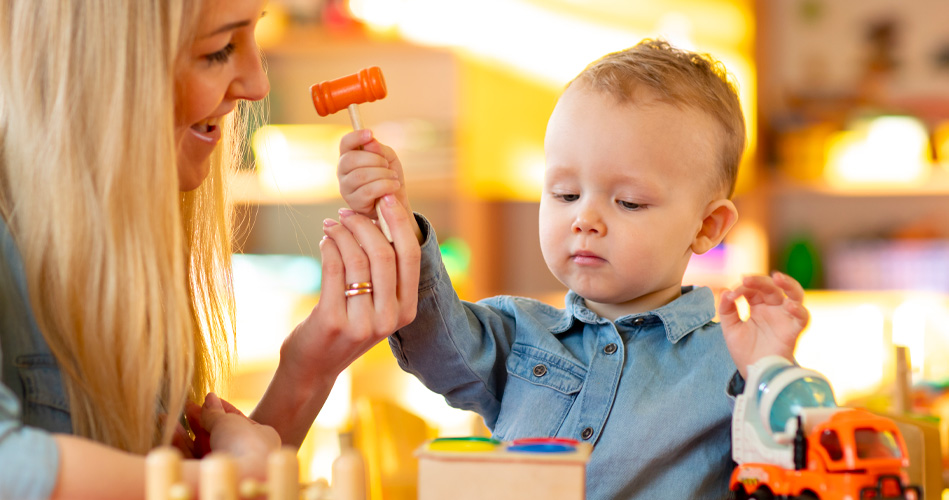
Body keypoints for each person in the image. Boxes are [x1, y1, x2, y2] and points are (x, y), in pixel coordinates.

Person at [335, 39, 809, 499]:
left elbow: (796, 469)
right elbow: (435, 345)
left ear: (706, 226)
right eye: (564, 194)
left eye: (628, 202)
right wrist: (394, 218)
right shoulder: (518, 333)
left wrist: (771, 370)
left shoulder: (730, 360)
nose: (585, 219)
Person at [0, 0, 421, 498]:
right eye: (220, 49)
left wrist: (310, 367)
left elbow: (194, 482)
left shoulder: (131, 241)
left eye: (252, 38)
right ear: (99, 64)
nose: (257, 84)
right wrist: (230, 476)